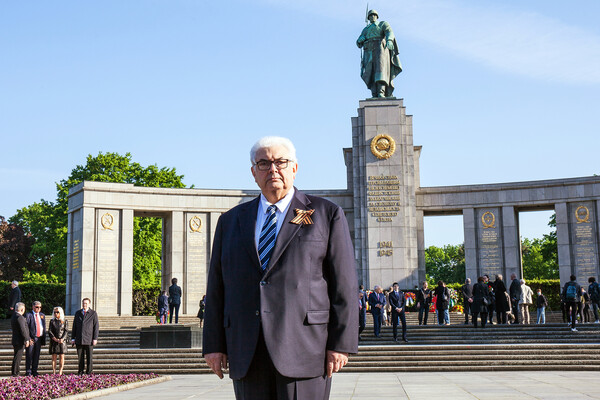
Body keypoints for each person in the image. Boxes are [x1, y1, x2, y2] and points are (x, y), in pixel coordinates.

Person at [202, 136, 358, 400]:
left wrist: (341, 344)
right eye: (263, 163)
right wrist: (213, 345)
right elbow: (217, 287)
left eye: (281, 162)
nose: (273, 169)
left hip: (306, 348)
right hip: (247, 350)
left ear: (294, 168)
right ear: (254, 172)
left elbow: (344, 284)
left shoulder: (326, 214)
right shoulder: (230, 221)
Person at [356, 9, 402, 98]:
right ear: (368, 18)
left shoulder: (382, 24)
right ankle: (374, 93)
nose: (372, 17)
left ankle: (381, 91)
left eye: (374, 15)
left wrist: (389, 40)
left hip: (380, 48)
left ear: (377, 16)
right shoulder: (366, 29)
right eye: (370, 15)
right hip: (368, 50)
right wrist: (359, 40)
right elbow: (359, 42)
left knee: (380, 70)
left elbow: (389, 32)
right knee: (370, 71)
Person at [71, 298, 99, 374]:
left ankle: (89, 372)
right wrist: (73, 338)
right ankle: (80, 372)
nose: (84, 305)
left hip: (89, 339)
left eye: (86, 303)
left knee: (89, 357)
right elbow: (74, 326)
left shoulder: (93, 313)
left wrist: (95, 338)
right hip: (79, 338)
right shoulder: (78, 313)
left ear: (89, 304)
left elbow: (96, 327)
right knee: (80, 357)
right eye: (83, 303)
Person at [25, 300, 46, 376]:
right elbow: (26, 327)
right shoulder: (28, 315)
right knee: (29, 355)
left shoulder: (42, 315)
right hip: (31, 338)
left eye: (40, 307)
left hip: (39, 338)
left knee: (36, 355)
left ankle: (35, 370)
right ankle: (28, 371)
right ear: (33, 307)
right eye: (37, 307)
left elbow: (43, 327)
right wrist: (28, 338)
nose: (38, 309)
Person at [11, 302, 30, 376]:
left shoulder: (14, 316)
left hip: (15, 340)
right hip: (19, 341)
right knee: (18, 357)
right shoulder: (20, 317)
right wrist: (26, 339)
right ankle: (16, 372)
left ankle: (15, 371)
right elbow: (23, 329)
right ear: (22, 309)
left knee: (16, 356)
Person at [48, 306, 68, 374]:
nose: (56, 314)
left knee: (61, 356)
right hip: (54, 341)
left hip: (62, 341)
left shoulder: (64, 321)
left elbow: (66, 331)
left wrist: (62, 339)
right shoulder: (52, 321)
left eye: (57, 312)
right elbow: (50, 331)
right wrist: (54, 339)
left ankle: (60, 372)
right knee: (54, 357)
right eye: (54, 312)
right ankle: (54, 371)